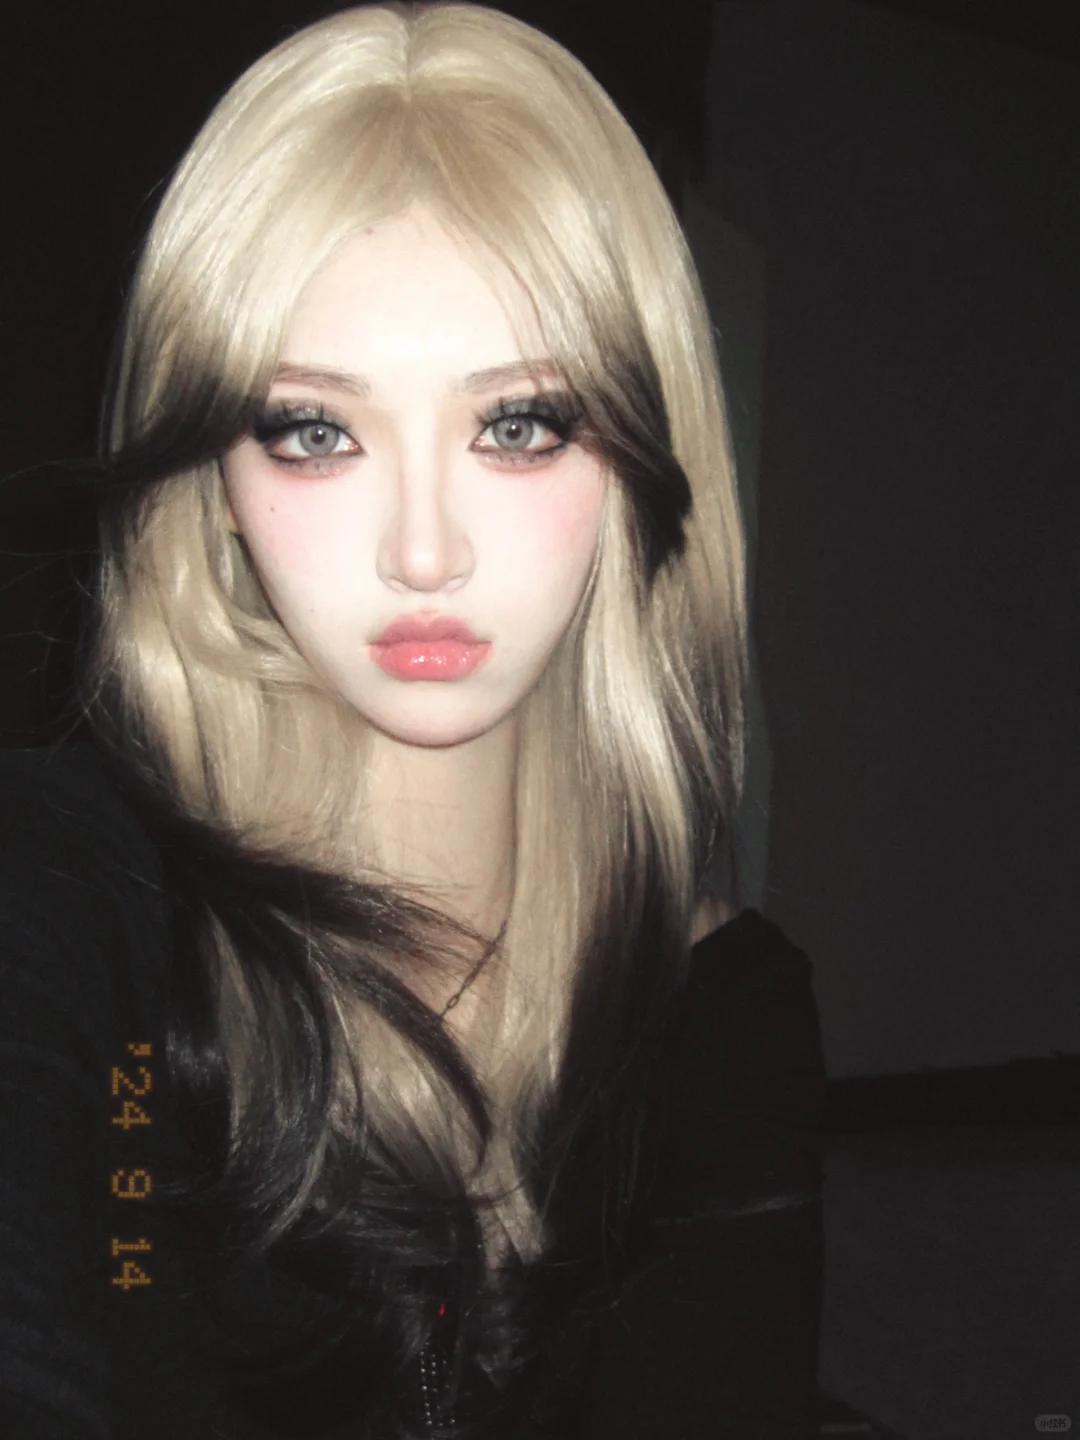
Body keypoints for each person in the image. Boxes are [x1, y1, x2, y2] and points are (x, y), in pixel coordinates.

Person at [0, 4, 826, 1436]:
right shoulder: (67, 908)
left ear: (640, 464)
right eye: (315, 431)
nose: (424, 552)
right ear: (211, 480)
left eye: (519, 425)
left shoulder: (721, 1014)